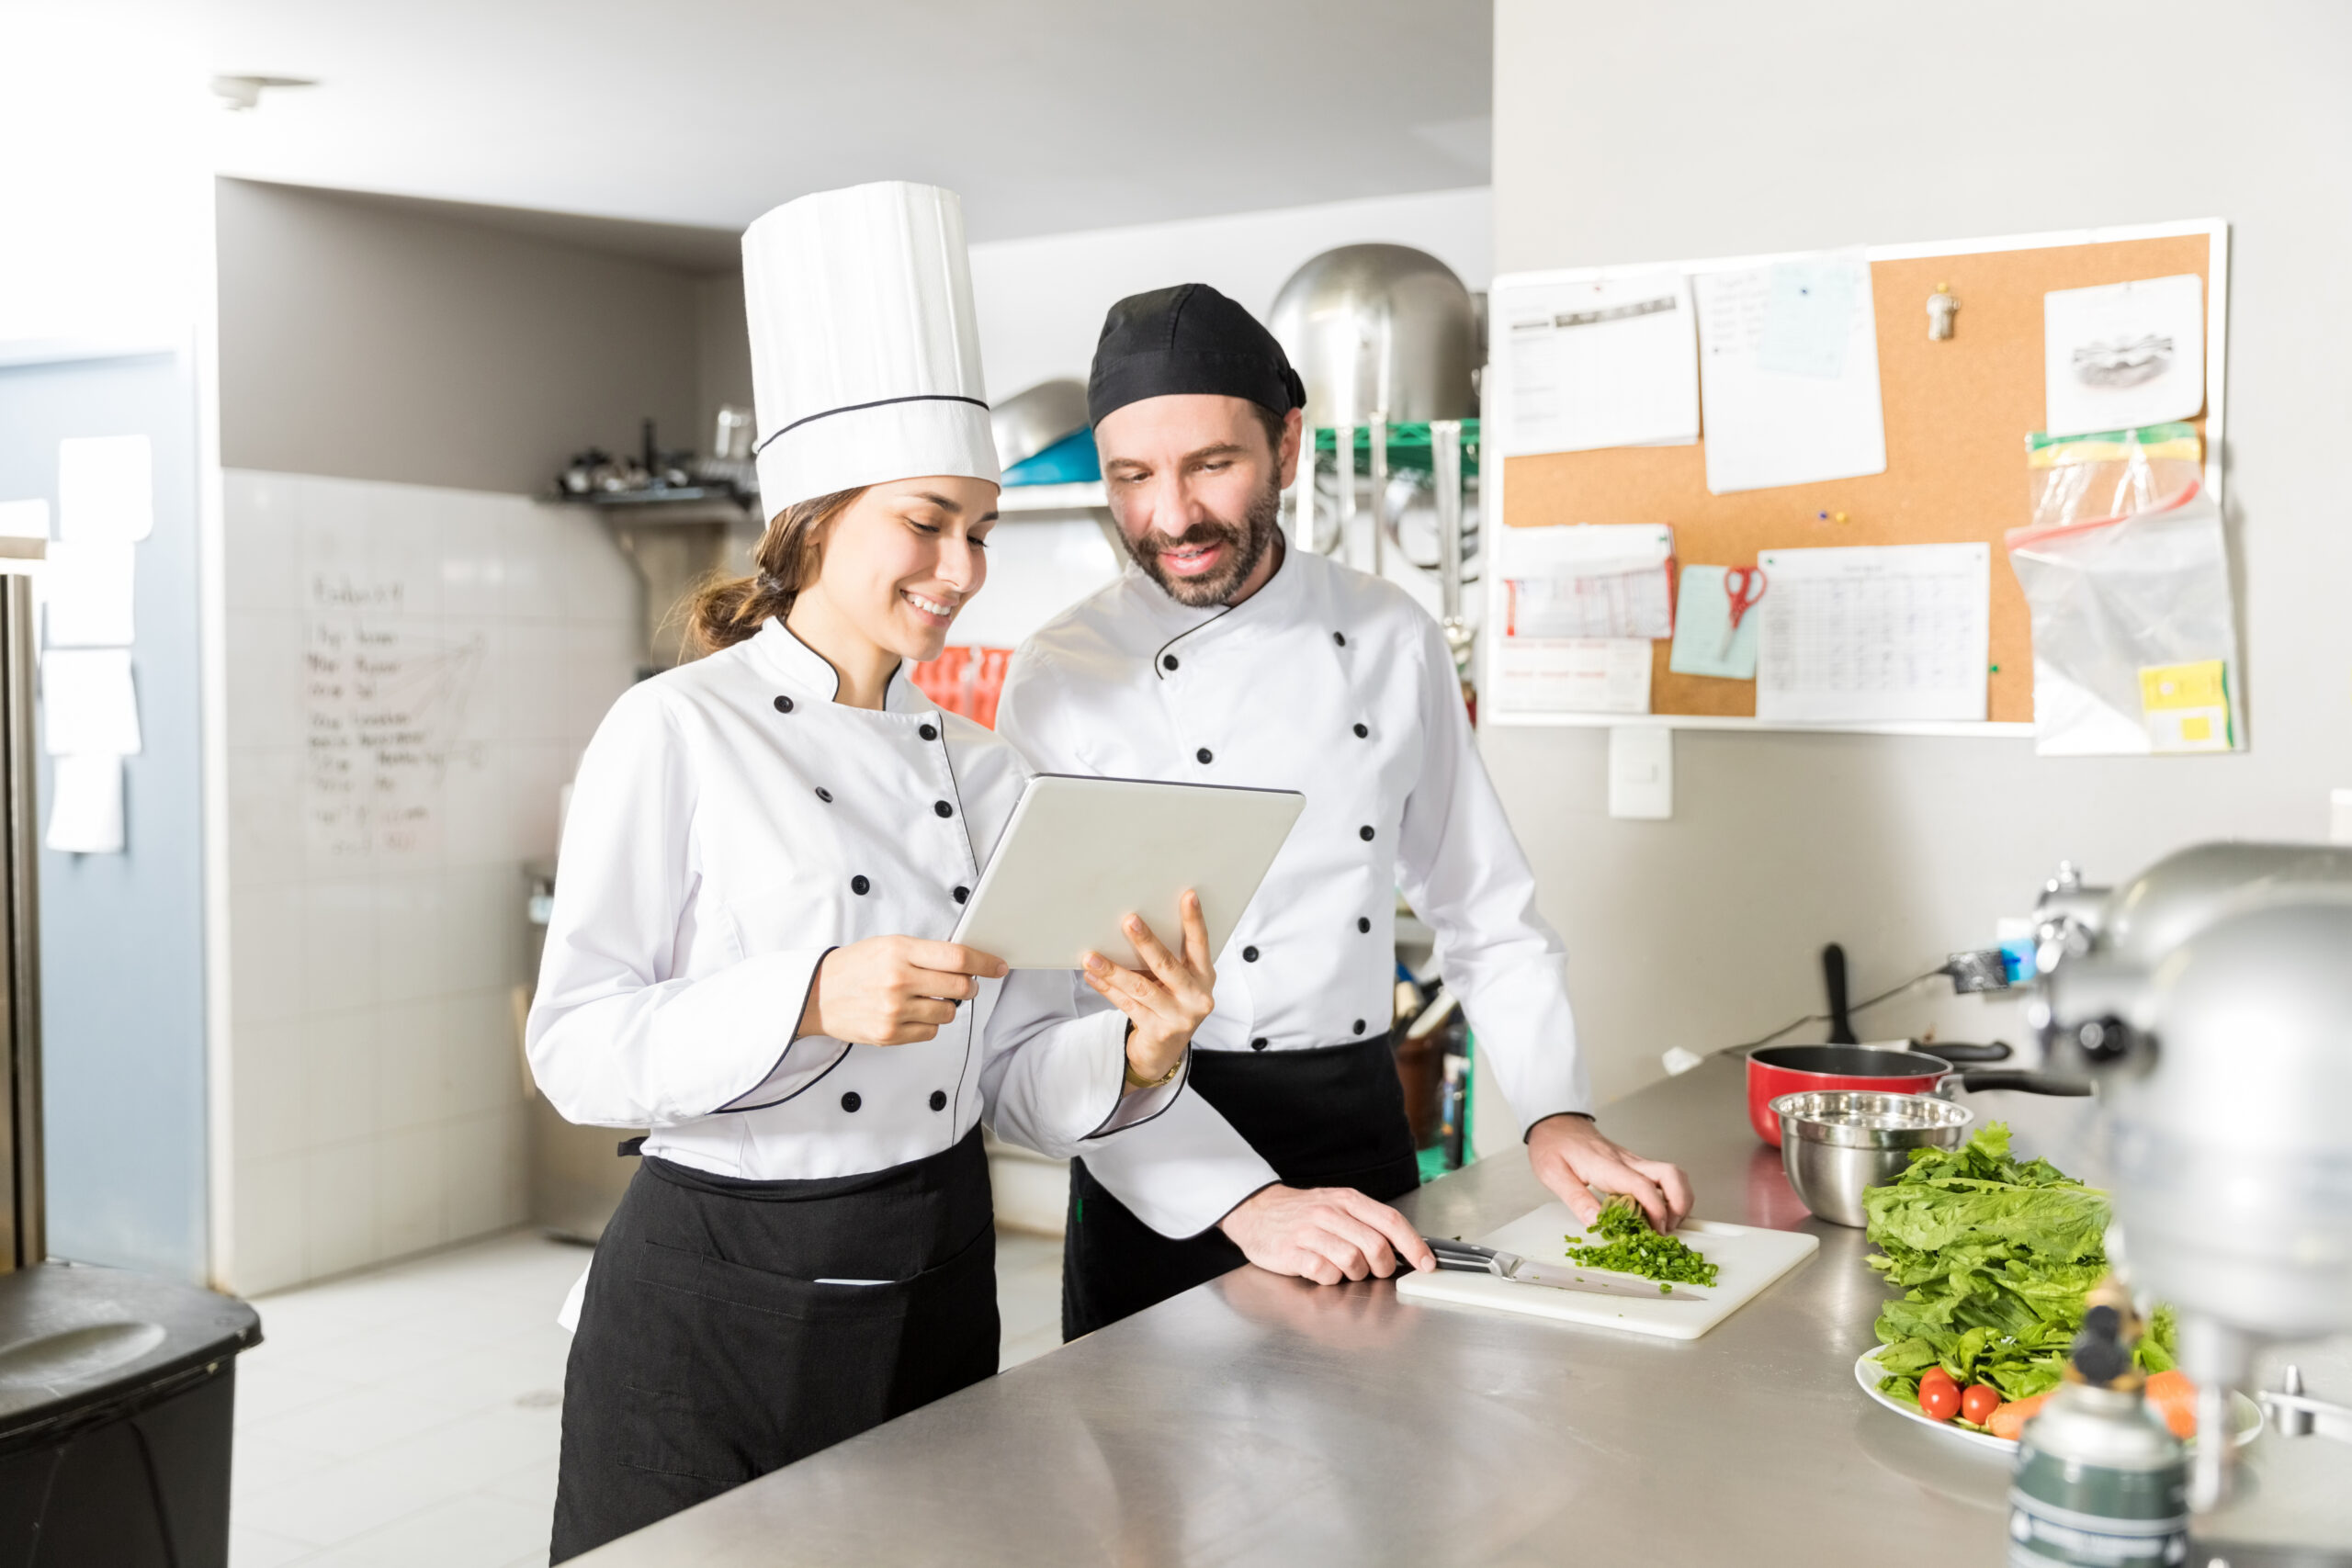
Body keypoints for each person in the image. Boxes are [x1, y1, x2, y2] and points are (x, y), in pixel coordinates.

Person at [528, 184, 1216, 1559]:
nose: (963, 567)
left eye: (984, 527)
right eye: (927, 521)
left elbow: (1015, 1071)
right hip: (719, 1290)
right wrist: (807, 991)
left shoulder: (982, 765)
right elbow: (576, 1049)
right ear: (815, 515)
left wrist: (1140, 1049)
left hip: (939, 1266)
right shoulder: (677, 728)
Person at [996, 283, 1694, 1339]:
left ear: (1287, 443)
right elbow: (1046, 1012)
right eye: (1131, 477)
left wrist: (1557, 1113)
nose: (1171, 517)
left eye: (1210, 465)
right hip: (1156, 1137)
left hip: (1358, 1124)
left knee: (1371, 1476)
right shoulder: (1061, 672)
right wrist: (1244, 1202)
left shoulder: (1387, 636)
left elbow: (1484, 910)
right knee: (1142, 1489)